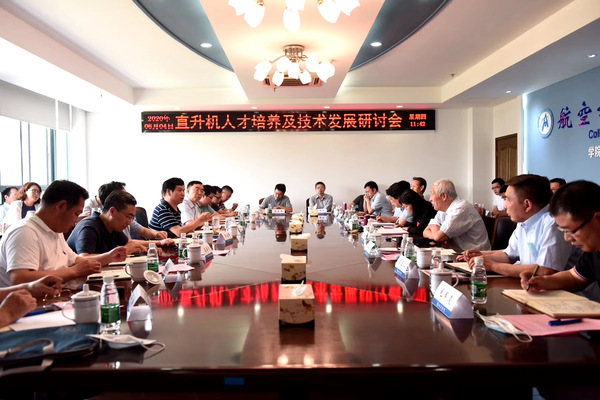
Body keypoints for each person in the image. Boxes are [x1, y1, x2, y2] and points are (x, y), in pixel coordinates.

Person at [0, 180, 124, 288]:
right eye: (76, 213)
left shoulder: (54, 230)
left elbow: (75, 260)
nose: (77, 220)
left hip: (54, 296)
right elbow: (20, 279)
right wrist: (74, 272)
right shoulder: (25, 232)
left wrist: (108, 257)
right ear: (61, 206)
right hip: (30, 305)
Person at [461, 174, 572, 277]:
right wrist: (480, 256)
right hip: (531, 284)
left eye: (508, 199)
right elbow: (509, 256)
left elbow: (546, 271)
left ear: (527, 205)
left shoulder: (554, 223)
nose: (505, 206)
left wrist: (494, 266)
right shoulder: (523, 221)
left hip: (560, 290)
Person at [521, 180, 600, 293]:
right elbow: (574, 278)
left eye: (571, 231)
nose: (567, 238)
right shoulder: (593, 252)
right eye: (563, 230)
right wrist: (541, 281)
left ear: (598, 219)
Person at [67, 190, 141, 256]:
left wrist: (145, 247)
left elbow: (129, 244)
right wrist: (119, 253)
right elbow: (84, 258)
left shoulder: (113, 227)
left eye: (131, 218)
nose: (129, 223)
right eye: (128, 217)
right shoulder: (89, 227)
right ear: (112, 211)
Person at [423, 179, 490, 250]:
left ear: (444, 196)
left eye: (432, 194)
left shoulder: (461, 208)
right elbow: (425, 232)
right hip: (456, 251)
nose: (430, 199)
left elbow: (439, 237)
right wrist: (436, 233)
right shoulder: (442, 209)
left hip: (476, 254)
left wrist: (434, 229)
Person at [97, 181, 170, 242]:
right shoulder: (110, 224)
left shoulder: (124, 219)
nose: (127, 197)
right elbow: (128, 245)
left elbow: (143, 231)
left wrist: (156, 234)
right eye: (123, 195)